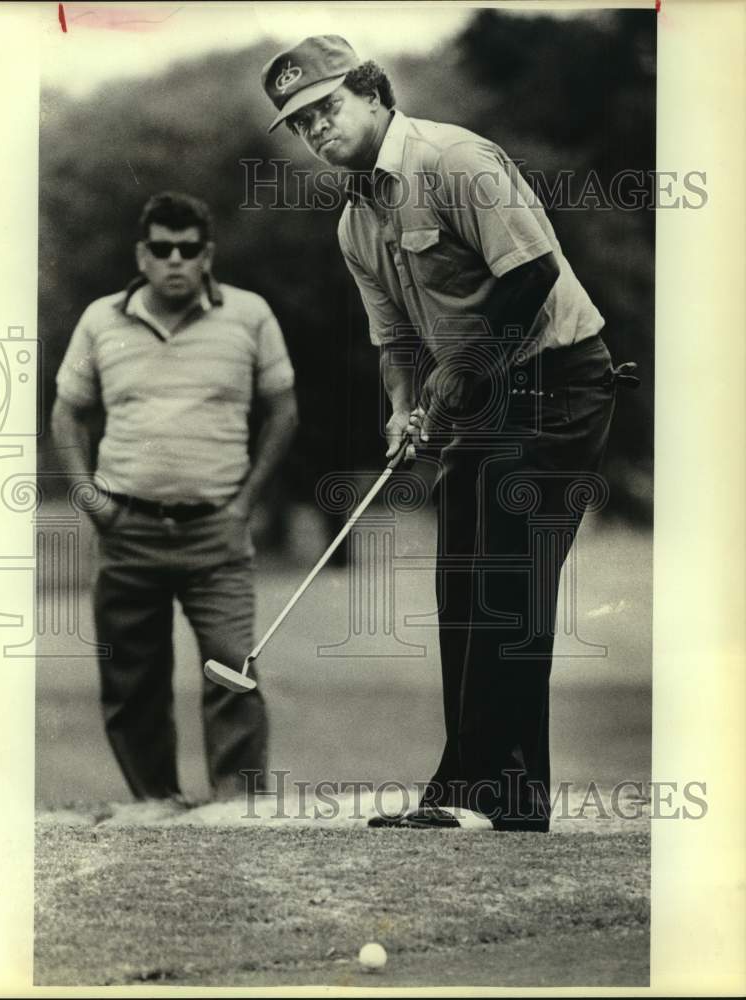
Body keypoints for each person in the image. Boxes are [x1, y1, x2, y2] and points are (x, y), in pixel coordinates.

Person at [262, 37, 637, 831]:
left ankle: (485, 794)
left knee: (506, 587)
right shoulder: (355, 221)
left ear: (372, 94)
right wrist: (403, 407)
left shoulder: (453, 160)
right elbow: (396, 338)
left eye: (326, 108)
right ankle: (486, 791)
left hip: (558, 383)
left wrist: (461, 369)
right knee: (463, 588)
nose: (316, 129)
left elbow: (533, 272)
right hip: (485, 399)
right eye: (299, 123)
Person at [52, 191, 297, 811]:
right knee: (132, 680)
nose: (176, 261)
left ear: (207, 254)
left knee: (232, 665)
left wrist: (245, 503)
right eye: (162, 249)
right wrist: (88, 495)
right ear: (143, 254)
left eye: (189, 249)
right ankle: (155, 803)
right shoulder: (101, 320)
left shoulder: (249, 315)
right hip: (126, 528)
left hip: (216, 530)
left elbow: (283, 412)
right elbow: (67, 415)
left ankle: (237, 807)